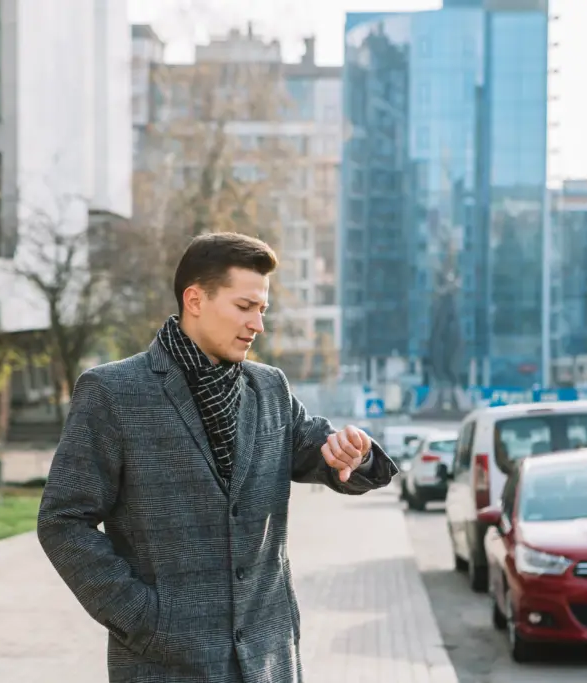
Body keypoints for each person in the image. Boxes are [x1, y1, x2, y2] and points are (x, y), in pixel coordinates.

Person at [37, 232, 398, 683]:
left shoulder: (269, 387)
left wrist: (354, 454)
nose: (257, 324)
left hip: (268, 663)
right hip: (164, 665)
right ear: (195, 299)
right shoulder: (113, 393)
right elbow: (63, 520)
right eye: (245, 307)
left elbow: (322, 449)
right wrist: (146, 620)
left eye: (262, 310)